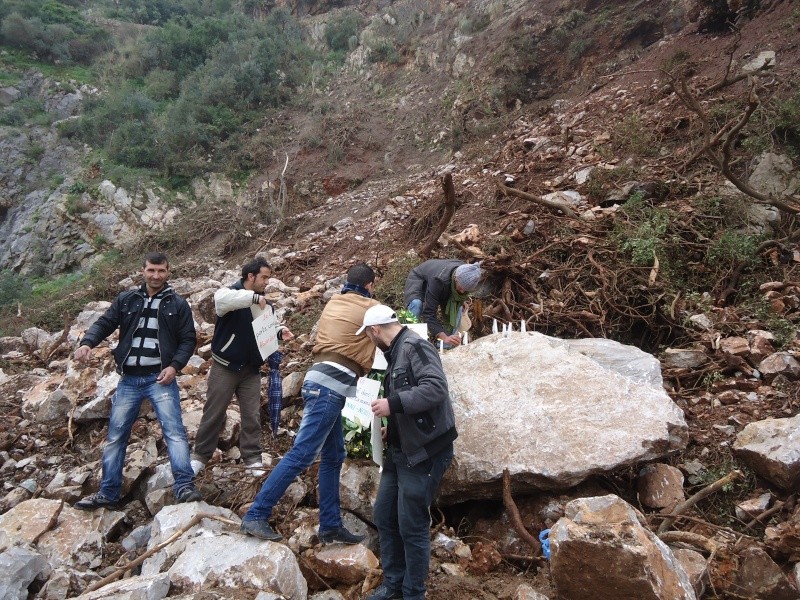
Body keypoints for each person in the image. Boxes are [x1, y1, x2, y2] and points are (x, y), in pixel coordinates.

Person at [240, 263, 379, 543]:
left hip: (319, 380)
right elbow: (390, 336)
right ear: (369, 285)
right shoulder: (370, 307)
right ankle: (256, 514)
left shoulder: (334, 301)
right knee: (303, 453)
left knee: (334, 455)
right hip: (330, 387)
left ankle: (330, 525)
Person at [73, 252, 201, 509]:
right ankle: (108, 494)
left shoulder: (177, 304)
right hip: (129, 378)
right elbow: (106, 323)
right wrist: (87, 342)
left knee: (174, 433)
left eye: (161, 271)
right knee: (116, 436)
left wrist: (175, 366)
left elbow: (188, 339)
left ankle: (184, 487)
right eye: (151, 271)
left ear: (168, 272)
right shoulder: (127, 299)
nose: (156, 276)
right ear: (142, 271)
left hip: (160, 377)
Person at [358, 304, 457, 600]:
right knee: (385, 516)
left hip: (425, 452)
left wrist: (393, 404)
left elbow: (436, 388)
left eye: (367, 335)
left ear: (376, 330)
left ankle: (413, 592)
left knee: (411, 524)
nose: (368, 340)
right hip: (401, 450)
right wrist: (394, 428)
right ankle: (394, 585)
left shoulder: (415, 346)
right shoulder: (396, 351)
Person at [191, 257, 294, 477]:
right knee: (214, 412)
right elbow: (223, 301)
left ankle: (253, 459)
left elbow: (265, 330)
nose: (267, 282)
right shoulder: (230, 295)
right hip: (225, 366)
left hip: (251, 368)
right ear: (250, 276)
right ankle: (200, 456)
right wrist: (255, 298)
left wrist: (278, 332)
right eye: (264, 277)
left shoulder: (264, 303)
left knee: (252, 415)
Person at [403, 259, 483, 347]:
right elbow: (429, 313)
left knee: (458, 309)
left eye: (466, 290)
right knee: (417, 304)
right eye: (460, 288)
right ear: (456, 278)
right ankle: (407, 340)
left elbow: (459, 294)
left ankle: (444, 347)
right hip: (420, 280)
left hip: (442, 285)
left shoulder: (466, 271)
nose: (462, 291)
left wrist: (460, 301)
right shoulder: (439, 281)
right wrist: (443, 336)